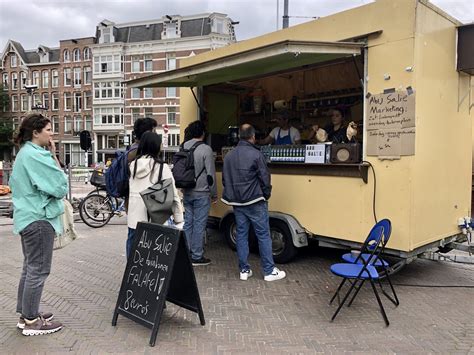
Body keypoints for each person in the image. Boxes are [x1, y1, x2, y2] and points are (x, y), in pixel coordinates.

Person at [10, 113, 68, 336]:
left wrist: (50, 153)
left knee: (29, 267)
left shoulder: (25, 154)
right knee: (39, 269)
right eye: (49, 129)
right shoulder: (35, 156)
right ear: (36, 132)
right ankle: (32, 321)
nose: (52, 133)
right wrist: (53, 157)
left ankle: (27, 314)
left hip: (27, 217)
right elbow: (59, 186)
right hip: (39, 218)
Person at [222, 124, 286, 282]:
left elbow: (225, 180)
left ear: (239, 136)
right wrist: (266, 194)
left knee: (242, 235)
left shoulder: (229, 156)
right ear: (253, 137)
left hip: (237, 202)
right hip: (255, 200)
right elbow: (265, 178)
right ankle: (269, 271)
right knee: (263, 235)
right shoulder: (256, 154)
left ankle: (244, 270)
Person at [127, 132, 184, 257]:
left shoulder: (132, 166)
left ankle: (133, 275)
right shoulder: (162, 167)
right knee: (153, 255)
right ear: (156, 147)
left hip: (134, 218)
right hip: (155, 217)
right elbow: (173, 194)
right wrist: (179, 219)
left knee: (133, 253)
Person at [182, 120, 217, 266]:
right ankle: (196, 256)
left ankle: (186, 252)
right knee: (199, 224)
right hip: (201, 193)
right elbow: (210, 175)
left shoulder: (183, 146)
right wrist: (214, 193)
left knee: (188, 223)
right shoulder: (206, 149)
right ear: (202, 132)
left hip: (187, 191)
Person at [125, 117, 157, 257]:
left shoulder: (132, 149)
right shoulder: (139, 153)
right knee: (138, 235)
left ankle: (133, 268)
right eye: (153, 130)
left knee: (133, 233)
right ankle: (135, 268)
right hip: (142, 199)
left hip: (132, 200)